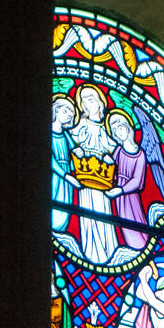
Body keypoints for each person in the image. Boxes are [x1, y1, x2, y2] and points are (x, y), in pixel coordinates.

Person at [70, 84, 117, 264]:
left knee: (104, 212)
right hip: (86, 178)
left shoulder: (107, 129)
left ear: (100, 102)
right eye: (84, 99)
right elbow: (72, 141)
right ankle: (92, 251)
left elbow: (113, 147)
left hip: (103, 179)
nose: (87, 102)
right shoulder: (80, 125)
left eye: (91, 98)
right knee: (88, 213)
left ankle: (109, 249)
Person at [106, 110, 148, 250]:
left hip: (130, 195)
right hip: (118, 195)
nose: (118, 132)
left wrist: (121, 189)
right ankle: (131, 247)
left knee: (134, 220)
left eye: (120, 127)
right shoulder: (118, 150)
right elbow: (111, 168)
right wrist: (107, 161)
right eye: (114, 130)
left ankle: (141, 246)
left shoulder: (140, 154)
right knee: (122, 222)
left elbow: (137, 180)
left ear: (128, 126)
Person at [51, 94, 78, 232]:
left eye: (71, 113)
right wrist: (66, 175)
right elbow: (51, 160)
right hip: (56, 175)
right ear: (55, 110)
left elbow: (74, 153)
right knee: (55, 200)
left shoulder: (66, 134)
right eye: (65, 111)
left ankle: (61, 231)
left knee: (66, 204)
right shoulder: (48, 132)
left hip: (68, 175)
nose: (68, 115)